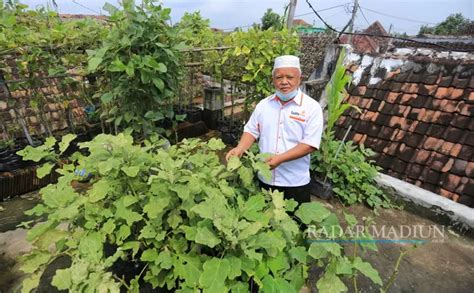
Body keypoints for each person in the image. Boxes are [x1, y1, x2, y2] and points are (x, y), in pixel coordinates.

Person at [225, 55, 324, 204]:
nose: (284, 82)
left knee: (297, 224)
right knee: (264, 222)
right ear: (273, 80)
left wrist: (280, 159)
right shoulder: (264, 105)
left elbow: (309, 144)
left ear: (299, 78)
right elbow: (251, 130)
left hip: (294, 182)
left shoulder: (311, 108)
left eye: (289, 77)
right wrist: (240, 148)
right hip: (265, 178)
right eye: (279, 77)